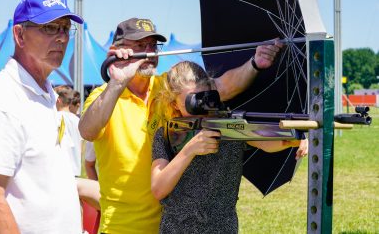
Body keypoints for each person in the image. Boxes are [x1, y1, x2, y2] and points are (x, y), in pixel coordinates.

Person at [78, 17, 283, 233]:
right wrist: (118, 82)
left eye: (153, 45)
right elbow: (87, 131)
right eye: (140, 45)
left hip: (172, 225)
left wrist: (254, 64)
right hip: (123, 227)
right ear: (116, 50)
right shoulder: (103, 96)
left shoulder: (166, 87)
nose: (150, 52)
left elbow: (224, 86)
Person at [151, 61, 307, 233]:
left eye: (207, 98)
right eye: (194, 102)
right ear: (174, 104)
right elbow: (158, 188)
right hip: (177, 228)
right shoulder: (166, 134)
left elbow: (268, 141)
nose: (203, 107)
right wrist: (189, 151)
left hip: (222, 227)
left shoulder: (229, 127)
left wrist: (299, 136)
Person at [0, 0, 84, 233]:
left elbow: (42, 180)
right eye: (50, 27)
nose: (62, 37)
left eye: (64, 28)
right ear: (19, 35)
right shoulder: (4, 99)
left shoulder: (45, 94)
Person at [55, 85, 82, 176]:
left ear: (58, 100)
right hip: (76, 169)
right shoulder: (78, 120)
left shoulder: (56, 118)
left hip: (61, 170)